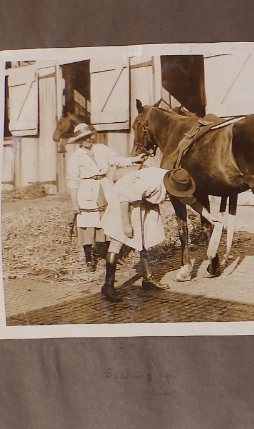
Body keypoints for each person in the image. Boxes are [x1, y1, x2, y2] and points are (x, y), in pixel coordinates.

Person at [99, 166, 200, 302]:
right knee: (118, 239)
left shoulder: (175, 178)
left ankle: (148, 279)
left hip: (142, 200)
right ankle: (108, 286)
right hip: (125, 199)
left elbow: (189, 200)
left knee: (145, 237)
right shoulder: (150, 184)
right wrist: (126, 223)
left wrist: (211, 217)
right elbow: (125, 198)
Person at [65, 122, 144, 271]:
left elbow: (117, 160)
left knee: (109, 221)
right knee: (88, 226)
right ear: (78, 142)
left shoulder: (101, 149)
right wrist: (74, 203)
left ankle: (111, 257)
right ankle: (89, 260)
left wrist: (135, 159)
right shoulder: (75, 158)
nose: (87, 140)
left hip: (105, 187)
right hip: (87, 190)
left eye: (88, 137)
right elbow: (73, 181)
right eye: (83, 139)